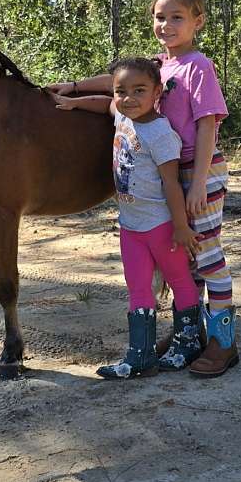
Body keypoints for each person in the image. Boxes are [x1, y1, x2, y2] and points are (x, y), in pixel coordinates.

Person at [49, 0, 238, 378]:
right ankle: (191, 333)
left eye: (177, 18)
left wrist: (200, 181)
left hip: (196, 168)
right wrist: (74, 87)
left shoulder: (198, 66)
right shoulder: (159, 65)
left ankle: (224, 341)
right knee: (182, 257)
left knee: (206, 254)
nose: (166, 25)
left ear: (197, 22)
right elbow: (116, 82)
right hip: (165, 170)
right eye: (160, 17)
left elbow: (206, 127)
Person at [52, 56, 203, 379]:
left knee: (179, 281)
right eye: (122, 90)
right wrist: (72, 103)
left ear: (157, 92)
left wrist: (180, 226)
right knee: (137, 287)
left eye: (139, 90)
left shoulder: (161, 133)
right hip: (131, 226)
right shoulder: (121, 114)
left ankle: (188, 342)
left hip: (161, 225)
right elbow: (103, 103)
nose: (128, 98)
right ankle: (140, 356)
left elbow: (172, 185)